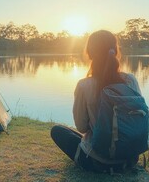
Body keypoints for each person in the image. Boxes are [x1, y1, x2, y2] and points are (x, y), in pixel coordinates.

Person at [50, 30, 142, 172]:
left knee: (57, 130)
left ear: (90, 53)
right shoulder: (131, 80)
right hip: (130, 158)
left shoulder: (84, 85)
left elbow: (81, 127)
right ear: (116, 50)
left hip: (98, 162)